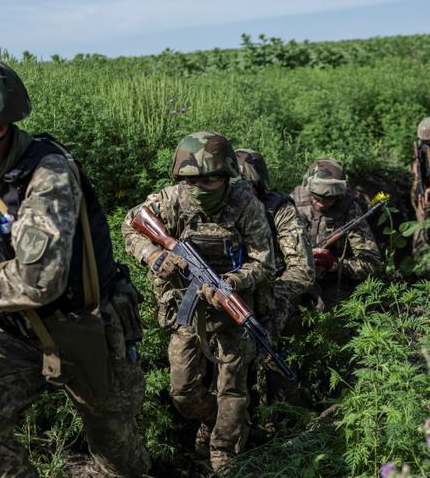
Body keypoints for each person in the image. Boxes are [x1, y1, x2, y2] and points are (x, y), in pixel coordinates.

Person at [0, 57, 150, 477]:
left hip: (85, 328)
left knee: (114, 448)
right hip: (17, 328)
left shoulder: (49, 175)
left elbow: (41, 281)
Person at [122, 131, 275, 471]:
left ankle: (225, 455)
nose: (200, 188)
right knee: (183, 391)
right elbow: (130, 225)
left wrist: (231, 283)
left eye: (210, 181)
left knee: (233, 389)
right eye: (192, 181)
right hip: (186, 310)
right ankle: (213, 420)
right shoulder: (171, 200)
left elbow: (264, 261)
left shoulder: (246, 205)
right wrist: (154, 255)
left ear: (226, 177)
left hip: (232, 310)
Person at [236, 150, 315, 406]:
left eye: (244, 184)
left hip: (274, 296)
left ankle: (286, 424)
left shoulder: (279, 209)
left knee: (278, 373)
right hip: (232, 296)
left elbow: (302, 269)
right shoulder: (220, 208)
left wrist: (272, 301)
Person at [291, 158, 382, 310]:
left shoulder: (349, 209)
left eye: (328, 199)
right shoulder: (294, 201)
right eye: (316, 197)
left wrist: (334, 265)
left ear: (338, 195)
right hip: (296, 273)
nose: (320, 203)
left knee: (334, 314)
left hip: (332, 281)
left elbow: (371, 263)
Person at [410, 117, 430, 272]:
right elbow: (421, 171)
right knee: (421, 226)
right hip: (423, 195)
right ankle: (422, 267)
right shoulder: (422, 147)